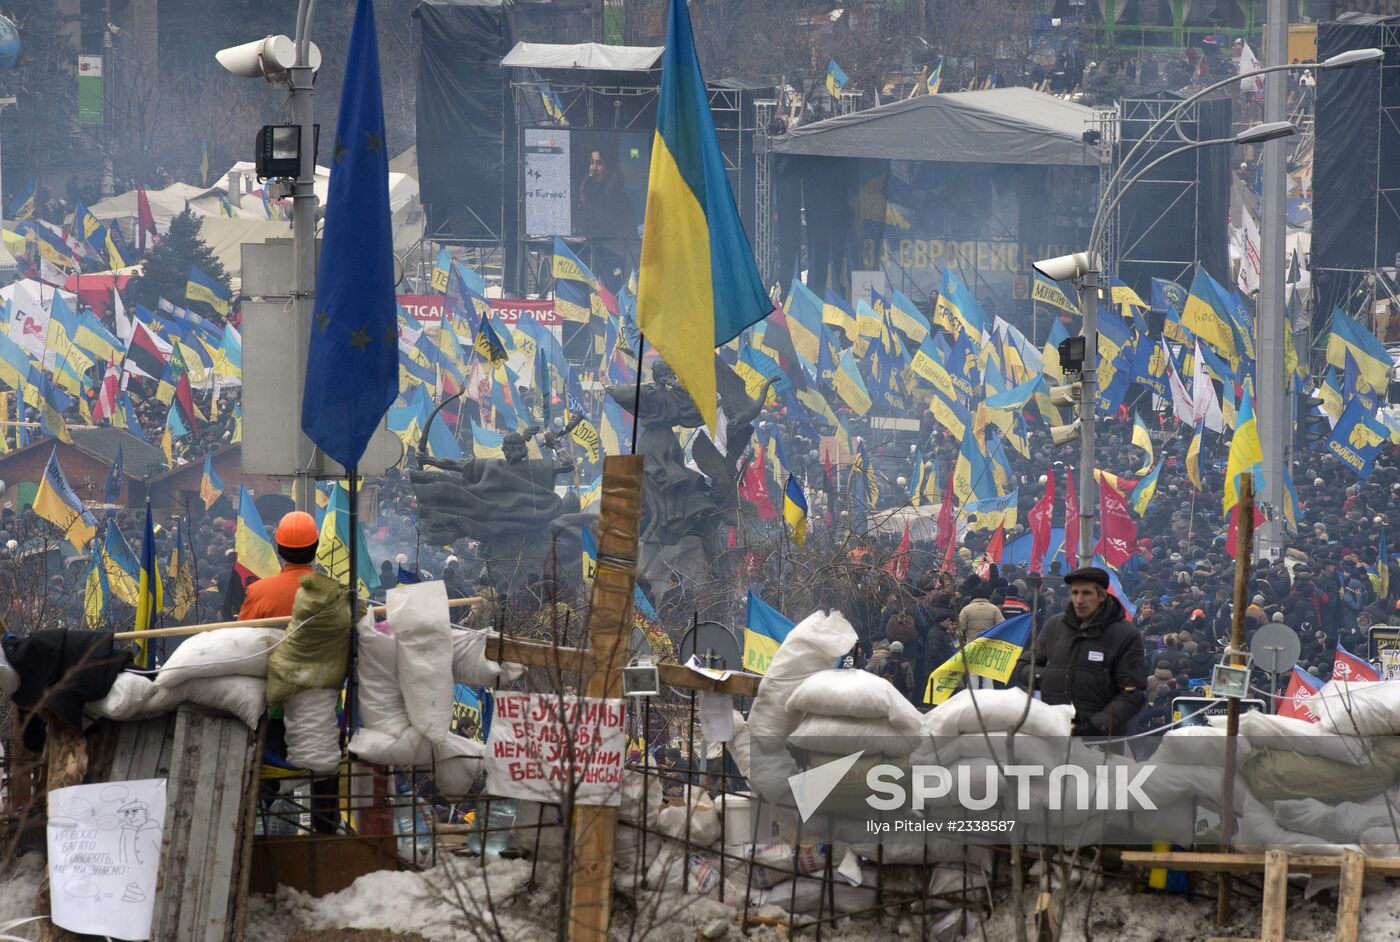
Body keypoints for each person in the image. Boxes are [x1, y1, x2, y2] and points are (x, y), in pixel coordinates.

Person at [1014, 566, 1147, 736]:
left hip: (1099, 740)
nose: (1079, 599)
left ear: (1101, 596)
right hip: (1052, 730)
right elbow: (1025, 664)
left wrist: (1099, 724)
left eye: (1086, 593)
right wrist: (1044, 678)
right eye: (1075, 592)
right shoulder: (1055, 625)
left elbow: (1133, 692)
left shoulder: (1125, 634)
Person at [238, 511, 320, 620]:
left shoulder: (258, 592)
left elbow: (244, 633)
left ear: (279, 549)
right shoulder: (336, 595)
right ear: (315, 547)